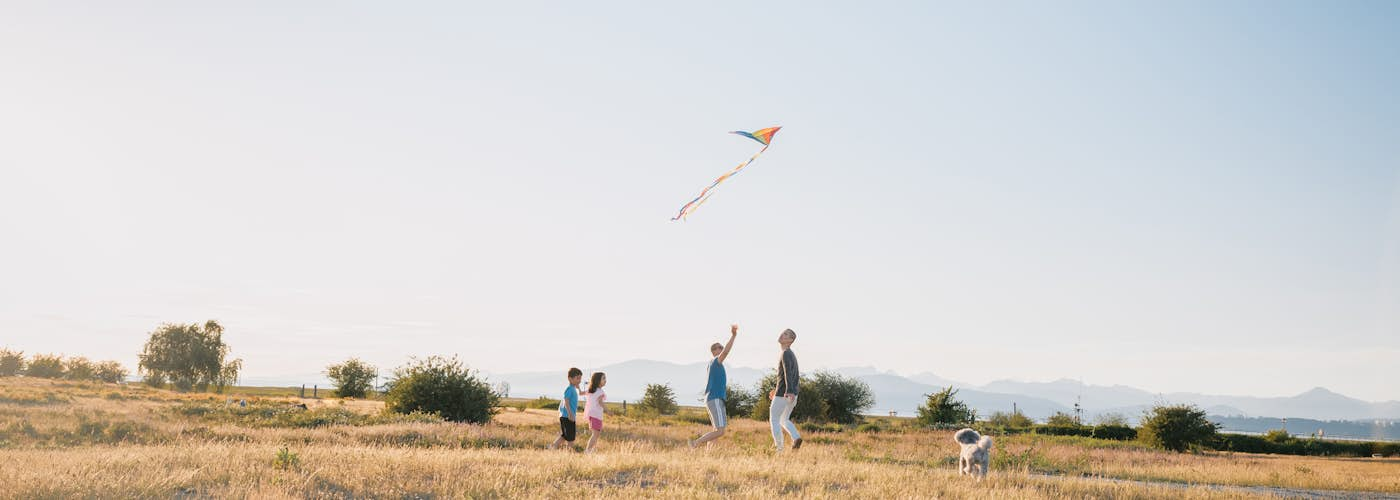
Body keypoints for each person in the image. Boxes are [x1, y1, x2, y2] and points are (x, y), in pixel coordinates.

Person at [690, 324, 738, 448]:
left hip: (713, 398)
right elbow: (726, 352)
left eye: (721, 346)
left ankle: (709, 454)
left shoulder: (713, 364)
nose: (721, 348)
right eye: (719, 347)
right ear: (714, 351)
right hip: (715, 398)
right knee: (720, 431)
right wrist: (733, 336)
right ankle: (695, 443)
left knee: (716, 430)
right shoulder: (716, 361)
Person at [769, 328, 801, 452]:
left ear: (790, 340)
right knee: (784, 419)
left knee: (774, 419)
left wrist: (789, 391)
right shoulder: (790, 354)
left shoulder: (786, 353)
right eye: (783, 333)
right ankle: (796, 437)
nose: (782, 335)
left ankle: (779, 449)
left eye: (786, 334)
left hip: (785, 393)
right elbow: (791, 375)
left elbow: (788, 373)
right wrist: (778, 390)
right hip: (789, 393)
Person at [548, 367, 584, 450]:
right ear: (570, 379)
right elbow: (566, 401)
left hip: (565, 416)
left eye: (580, 379)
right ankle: (569, 451)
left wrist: (578, 388)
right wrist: (570, 414)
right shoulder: (569, 389)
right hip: (567, 416)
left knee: (565, 435)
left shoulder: (573, 389)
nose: (579, 381)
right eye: (577, 378)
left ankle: (553, 447)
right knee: (571, 436)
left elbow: (580, 393)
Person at [582, 371, 607, 453]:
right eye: (603, 378)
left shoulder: (591, 390)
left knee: (596, 433)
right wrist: (608, 410)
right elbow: (600, 402)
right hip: (596, 415)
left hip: (591, 414)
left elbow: (581, 393)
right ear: (598, 380)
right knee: (596, 434)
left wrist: (578, 388)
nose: (605, 380)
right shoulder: (600, 391)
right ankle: (588, 450)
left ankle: (591, 449)